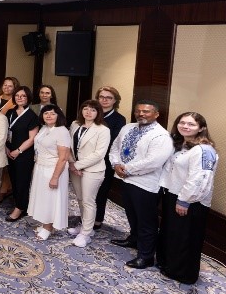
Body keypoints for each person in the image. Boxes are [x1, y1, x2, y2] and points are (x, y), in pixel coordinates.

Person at [109, 100, 174, 269]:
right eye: (138, 111)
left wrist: (127, 169)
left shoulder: (161, 136)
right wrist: (115, 164)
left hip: (146, 184)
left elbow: (153, 162)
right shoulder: (127, 128)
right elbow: (115, 147)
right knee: (132, 214)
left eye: (146, 111)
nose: (141, 114)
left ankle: (146, 256)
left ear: (156, 114)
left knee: (146, 221)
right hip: (125, 179)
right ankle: (134, 239)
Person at [157, 112, 218, 284]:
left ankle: (184, 274)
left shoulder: (204, 150)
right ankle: (169, 265)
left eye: (191, 124)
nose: (185, 126)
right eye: (182, 122)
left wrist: (185, 200)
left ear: (201, 128)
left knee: (186, 237)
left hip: (190, 201)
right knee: (173, 233)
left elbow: (200, 179)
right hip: (173, 194)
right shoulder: (181, 144)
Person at [68, 100, 111, 247]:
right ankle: (85, 226)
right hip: (75, 168)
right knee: (80, 199)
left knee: (88, 201)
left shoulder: (103, 130)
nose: (88, 112)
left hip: (93, 170)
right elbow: (69, 146)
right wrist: (72, 163)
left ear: (98, 112)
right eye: (85, 109)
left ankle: (86, 234)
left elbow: (99, 154)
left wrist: (77, 165)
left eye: (93, 110)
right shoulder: (75, 124)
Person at [27, 105, 71, 240]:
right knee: (43, 198)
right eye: (46, 113)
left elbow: (63, 158)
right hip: (41, 167)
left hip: (53, 169)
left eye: (52, 113)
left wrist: (55, 177)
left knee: (51, 199)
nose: (49, 116)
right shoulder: (44, 128)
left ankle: (48, 227)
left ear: (58, 116)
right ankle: (44, 223)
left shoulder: (62, 131)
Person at [4, 86, 39, 222]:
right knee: (14, 179)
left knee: (22, 181)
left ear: (28, 98)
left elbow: (32, 138)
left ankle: (20, 208)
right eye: (17, 95)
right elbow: (5, 132)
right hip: (9, 151)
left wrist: (18, 151)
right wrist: (6, 148)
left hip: (23, 154)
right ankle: (19, 204)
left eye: (23, 96)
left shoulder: (32, 116)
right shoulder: (10, 112)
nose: (20, 98)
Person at [94, 86, 127, 230]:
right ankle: (86, 218)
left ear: (115, 100)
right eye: (101, 97)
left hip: (105, 160)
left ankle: (97, 220)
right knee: (86, 192)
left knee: (101, 192)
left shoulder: (119, 119)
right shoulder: (91, 113)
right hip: (86, 159)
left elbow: (114, 142)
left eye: (109, 98)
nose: (104, 100)